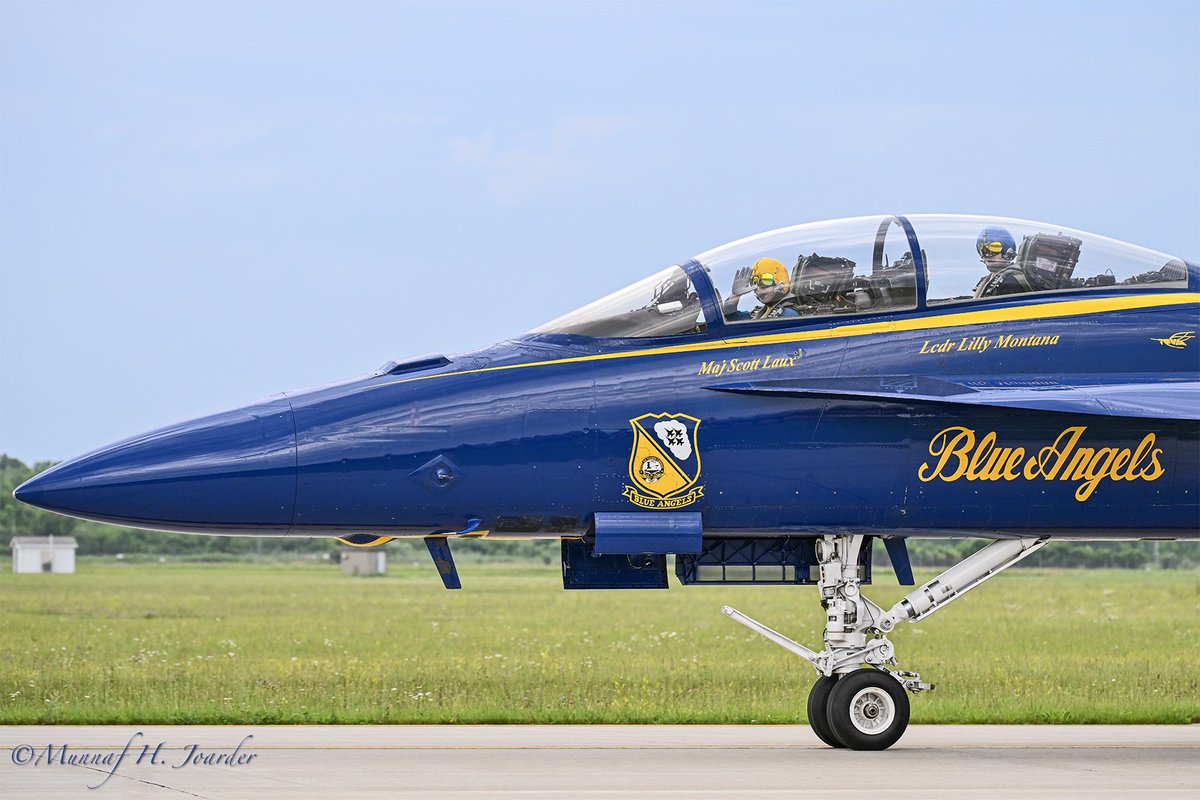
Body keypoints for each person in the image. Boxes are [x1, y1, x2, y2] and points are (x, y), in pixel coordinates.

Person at [723, 257, 800, 320]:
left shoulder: (788, 315)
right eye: (754, 281)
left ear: (780, 284)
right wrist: (735, 295)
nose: (757, 288)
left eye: (765, 281)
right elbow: (730, 316)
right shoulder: (762, 312)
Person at [972, 226, 1031, 298]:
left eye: (994, 248)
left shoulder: (1010, 282)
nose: (987, 254)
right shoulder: (989, 280)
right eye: (982, 248)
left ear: (1007, 251)